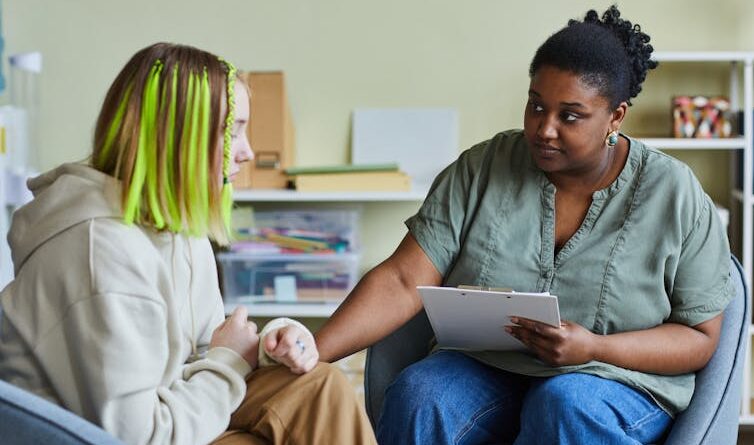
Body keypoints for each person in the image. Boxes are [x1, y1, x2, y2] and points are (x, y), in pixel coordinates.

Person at [315, 6, 733, 445]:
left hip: (614, 379)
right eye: (536, 105)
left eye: (569, 115)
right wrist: (312, 353)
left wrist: (594, 348)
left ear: (615, 117)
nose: (543, 129)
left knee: (564, 404)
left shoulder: (674, 192)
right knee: (423, 393)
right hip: (487, 367)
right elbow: (402, 279)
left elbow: (700, 337)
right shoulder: (482, 167)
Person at [0, 42, 376, 445]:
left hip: (169, 411)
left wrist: (272, 347)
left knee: (322, 387)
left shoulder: (178, 229)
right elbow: (140, 435)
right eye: (232, 132)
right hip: (119, 436)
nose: (247, 152)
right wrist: (230, 360)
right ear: (178, 138)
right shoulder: (99, 251)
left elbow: (204, 350)